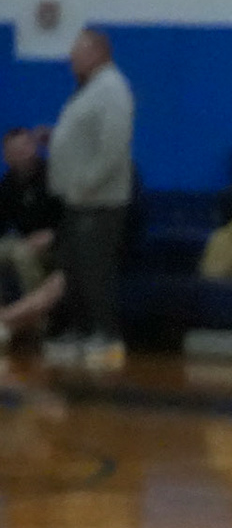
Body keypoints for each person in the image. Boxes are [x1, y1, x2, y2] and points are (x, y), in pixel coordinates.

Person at [45, 28, 134, 373]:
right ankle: (82, 331)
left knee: (94, 271)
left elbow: (113, 146)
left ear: (98, 52)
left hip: (99, 200)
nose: (71, 59)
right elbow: (83, 136)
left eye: (77, 52)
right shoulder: (89, 89)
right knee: (74, 268)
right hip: (77, 199)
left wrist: (86, 183)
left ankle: (107, 337)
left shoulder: (112, 89)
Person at [0, 127, 66, 355]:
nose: (21, 153)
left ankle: (38, 322)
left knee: (23, 253)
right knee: (14, 249)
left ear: (34, 148)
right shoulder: (8, 184)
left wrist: (53, 235)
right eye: (13, 150)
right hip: (24, 240)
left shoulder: (54, 175)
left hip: (59, 243)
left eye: (25, 147)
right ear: (6, 156)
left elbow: (73, 216)